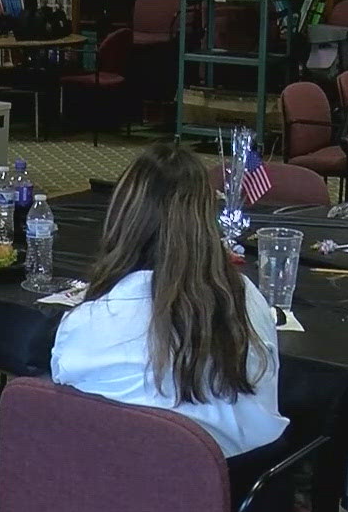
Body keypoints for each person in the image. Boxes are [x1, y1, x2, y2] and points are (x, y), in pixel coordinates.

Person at [52, 142, 287, 456]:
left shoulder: (83, 325)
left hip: (106, 493)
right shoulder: (248, 301)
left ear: (122, 220)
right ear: (206, 221)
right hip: (233, 493)